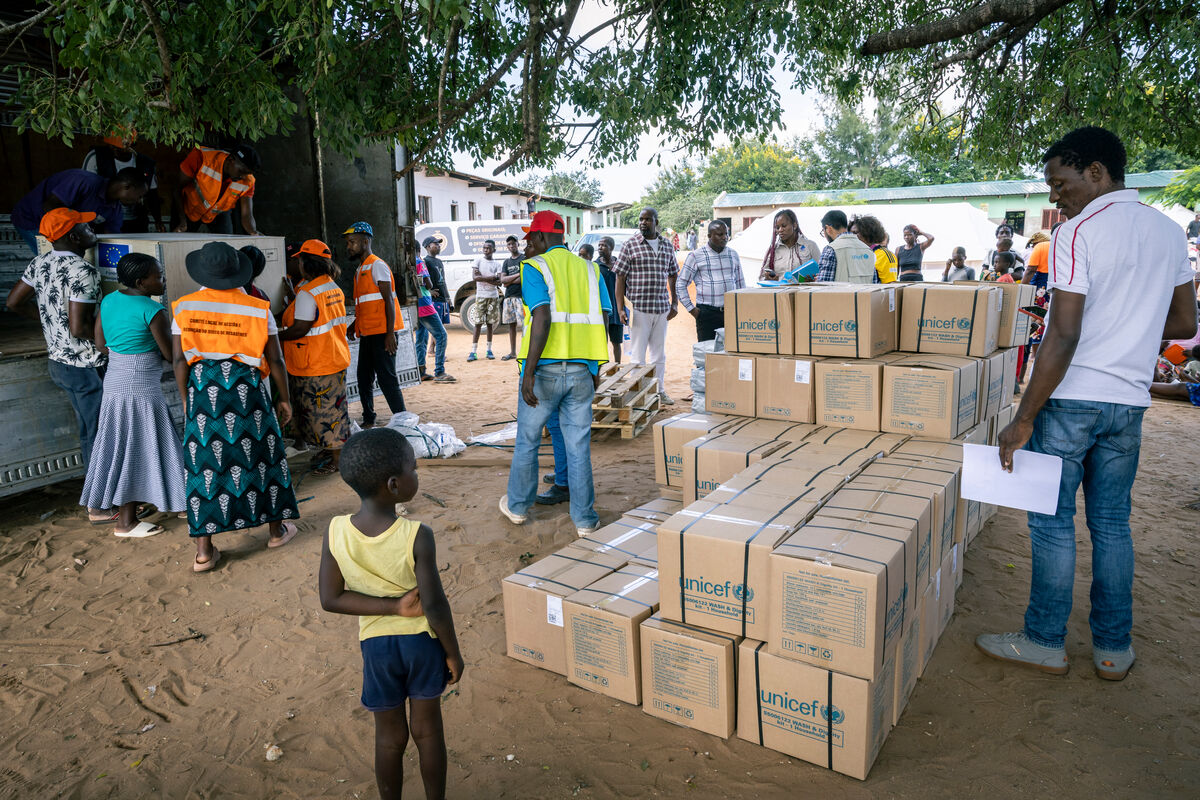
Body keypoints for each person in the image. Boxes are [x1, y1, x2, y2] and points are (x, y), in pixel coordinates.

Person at [983, 126, 1198, 681]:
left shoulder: (1078, 234)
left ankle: (1044, 640)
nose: (1055, 197)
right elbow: (1183, 323)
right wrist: (1128, 328)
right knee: (1112, 525)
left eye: (1060, 183)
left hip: (1072, 399)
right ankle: (1112, 650)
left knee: (1052, 524)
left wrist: (1023, 416)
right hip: (1128, 403)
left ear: (1096, 171)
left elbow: (1062, 335)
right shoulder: (1170, 233)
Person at [319, 428, 462, 800]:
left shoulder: (335, 532)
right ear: (395, 485)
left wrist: (389, 608)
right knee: (428, 732)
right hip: (421, 645)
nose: (418, 473)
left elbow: (331, 598)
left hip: (377, 650)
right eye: (414, 468)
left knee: (388, 738)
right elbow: (433, 604)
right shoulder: (417, 534)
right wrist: (453, 653)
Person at [172, 241, 300, 572]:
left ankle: (204, 551)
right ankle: (275, 530)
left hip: (203, 388)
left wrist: (188, 398)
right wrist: (283, 398)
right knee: (262, 455)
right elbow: (275, 358)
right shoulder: (258, 308)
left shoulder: (184, 307)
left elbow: (177, 359)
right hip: (248, 389)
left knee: (204, 462)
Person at [498, 210, 611, 536]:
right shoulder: (590, 269)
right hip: (580, 371)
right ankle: (585, 520)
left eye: (531, 236)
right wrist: (595, 366)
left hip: (545, 372)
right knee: (578, 445)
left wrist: (529, 372)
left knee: (528, 441)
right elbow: (602, 319)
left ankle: (518, 507)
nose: (528, 242)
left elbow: (542, 316)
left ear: (544, 238)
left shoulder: (534, 267)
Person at [5, 209, 112, 522]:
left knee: (88, 431)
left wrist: (51, 325)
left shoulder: (40, 262)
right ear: (74, 236)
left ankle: (99, 495)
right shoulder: (83, 270)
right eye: (87, 226)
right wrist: (110, 344)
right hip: (85, 366)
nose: (94, 229)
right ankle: (99, 506)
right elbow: (80, 328)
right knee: (98, 434)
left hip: (59, 362)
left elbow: (13, 303)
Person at [80, 252, 185, 536]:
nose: (163, 280)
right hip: (140, 386)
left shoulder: (110, 299)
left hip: (115, 381)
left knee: (127, 444)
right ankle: (126, 523)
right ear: (142, 281)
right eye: (158, 276)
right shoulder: (153, 311)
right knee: (138, 447)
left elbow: (101, 343)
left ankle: (173, 500)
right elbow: (168, 355)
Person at [278, 239, 353, 475]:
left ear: (306, 263)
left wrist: (276, 338)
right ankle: (330, 451)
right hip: (333, 358)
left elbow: (301, 328)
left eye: (299, 259)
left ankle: (338, 459)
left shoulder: (308, 293)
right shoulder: (330, 287)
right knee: (334, 410)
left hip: (316, 363)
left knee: (322, 414)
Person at [613, 207, 678, 403]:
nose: (643, 222)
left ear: (656, 222)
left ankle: (659, 391)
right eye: (641, 219)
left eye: (648, 219)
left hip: (661, 308)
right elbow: (620, 278)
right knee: (637, 355)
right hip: (638, 309)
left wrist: (674, 302)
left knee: (659, 354)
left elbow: (673, 273)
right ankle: (637, 394)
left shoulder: (667, 246)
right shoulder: (630, 245)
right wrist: (620, 308)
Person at [344, 221, 406, 428]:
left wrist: (390, 334)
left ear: (366, 241)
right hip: (368, 334)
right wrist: (355, 324)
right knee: (364, 378)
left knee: (387, 379)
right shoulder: (361, 268)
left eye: (352, 242)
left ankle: (403, 419)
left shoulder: (376, 265)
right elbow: (366, 303)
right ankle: (369, 418)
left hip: (382, 334)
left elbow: (388, 300)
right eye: (348, 243)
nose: (349, 246)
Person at [11, 168, 148, 254]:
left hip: (66, 233)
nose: (140, 201)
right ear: (127, 187)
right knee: (55, 263)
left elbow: (111, 240)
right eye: (140, 195)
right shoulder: (83, 181)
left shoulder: (115, 210)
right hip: (32, 217)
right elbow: (50, 206)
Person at [676, 220, 744, 342]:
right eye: (720, 234)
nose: (725, 238)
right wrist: (692, 310)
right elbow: (680, 284)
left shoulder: (733, 255)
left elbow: (740, 283)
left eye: (726, 234)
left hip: (731, 313)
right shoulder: (696, 256)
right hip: (706, 315)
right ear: (709, 236)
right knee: (707, 356)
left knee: (731, 354)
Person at [82, 132, 161, 233]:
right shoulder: (96, 157)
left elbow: (153, 195)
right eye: (111, 146)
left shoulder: (145, 163)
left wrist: (158, 221)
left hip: (136, 221)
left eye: (119, 147)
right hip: (101, 219)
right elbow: (87, 191)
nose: (114, 149)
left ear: (131, 145)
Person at [173, 144, 260, 235]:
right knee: (179, 240)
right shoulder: (201, 157)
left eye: (247, 174)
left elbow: (247, 215)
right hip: (188, 208)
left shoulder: (248, 181)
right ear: (230, 160)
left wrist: (254, 232)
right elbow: (177, 190)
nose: (243, 176)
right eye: (241, 171)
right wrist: (182, 221)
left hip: (217, 214)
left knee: (226, 245)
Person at [413, 249, 454, 383]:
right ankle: (439, 371)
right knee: (441, 335)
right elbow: (428, 283)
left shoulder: (409, 264)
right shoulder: (419, 262)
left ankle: (421, 370)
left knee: (421, 337)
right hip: (425, 303)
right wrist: (429, 288)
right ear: (419, 250)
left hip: (416, 305)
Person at [816, 209, 875, 283]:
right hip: (864, 294)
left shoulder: (831, 249)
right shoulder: (868, 249)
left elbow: (823, 285)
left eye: (823, 231)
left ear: (828, 229)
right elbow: (874, 284)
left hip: (840, 294)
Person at [759, 209, 820, 280]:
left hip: (803, 290)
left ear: (794, 225)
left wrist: (813, 279)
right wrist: (767, 279)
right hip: (779, 290)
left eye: (784, 226)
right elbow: (761, 277)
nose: (780, 230)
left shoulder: (810, 246)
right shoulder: (772, 251)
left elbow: (821, 273)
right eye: (777, 228)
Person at [468, 240, 502, 361]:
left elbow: (499, 282)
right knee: (477, 323)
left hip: (493, 296)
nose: (486, 250)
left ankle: (489, 350)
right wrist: (492, 277)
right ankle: (473, 351)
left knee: (490, 323)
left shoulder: (497, 264)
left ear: (494, 250)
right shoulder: (478, 261)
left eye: (488, 248)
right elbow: (474, 278)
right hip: (481, 296)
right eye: (484, 248)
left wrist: (482, 277)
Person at [595, 236, 624, 364]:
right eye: (599, 245)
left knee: (616, 342)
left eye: (604, 245)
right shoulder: (595, 266)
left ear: (611, 248)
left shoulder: (619, 264)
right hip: (601, 310)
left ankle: (616, 368)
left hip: (617, 310)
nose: (600, 248)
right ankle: (603, 367)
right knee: (601, 342)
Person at [500, 235, 524, 361]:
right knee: (511, 325)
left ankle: (525, 351)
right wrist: (517, 275)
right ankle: (513, 352)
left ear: (517, 244)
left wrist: (509, 280)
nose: (511, 246)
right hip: (509, 297)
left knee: (525, 325)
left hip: (521, 297)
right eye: (509, 244)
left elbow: (524, 278)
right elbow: (502, 280)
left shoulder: (524, 258)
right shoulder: (506, 262)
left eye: (513, 243)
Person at [854, 215, 897, 283]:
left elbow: (890, 287)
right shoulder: (854, 253)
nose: (852, 236)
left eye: (855, 233)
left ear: (867, 233)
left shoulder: (884, 255)